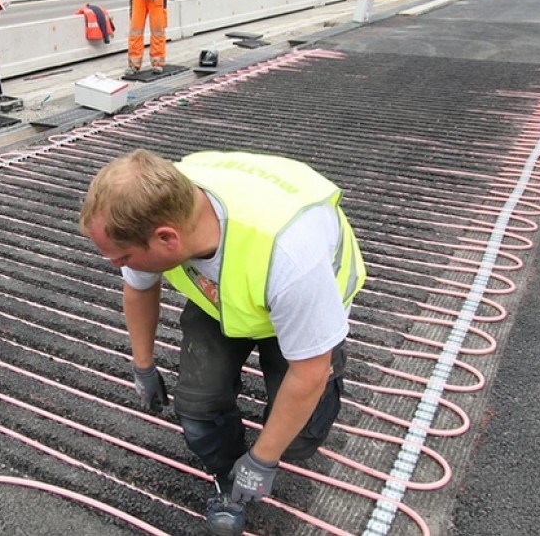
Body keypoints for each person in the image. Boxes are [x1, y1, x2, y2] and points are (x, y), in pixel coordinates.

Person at [79, 149, 366, 536]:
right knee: (197, 408)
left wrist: (263, 459)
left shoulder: (289, 256)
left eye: (123, 257)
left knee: (298, 436)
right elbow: (139, 288)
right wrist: (143, 365)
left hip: (299, 297)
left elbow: (308, 372)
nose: (117, 265)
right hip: (225, 294)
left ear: (167, 238)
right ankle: (229, 480)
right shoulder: (155, 203)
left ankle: (274, 445)